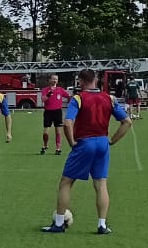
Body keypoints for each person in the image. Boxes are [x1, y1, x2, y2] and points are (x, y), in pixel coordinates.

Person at [42, 68, 133, 235]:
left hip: (85, 143)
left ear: (81, 81)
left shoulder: (78, 98)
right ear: (96, 80)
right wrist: (112, 140)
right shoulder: (109, 98)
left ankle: (59, 223)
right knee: (101, 184)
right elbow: (127, 122)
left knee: (66, 182)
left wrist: (72, 142)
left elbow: (67, 123)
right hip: (102, 143)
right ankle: (102, 225)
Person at [39, 75, 69, 155]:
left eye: (56, 79)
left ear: (57, 81)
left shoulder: (60, 90)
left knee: (58, 132)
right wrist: (48, 95)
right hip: (48, 112)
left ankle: (58, 148)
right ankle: (45, 145)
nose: (55, 80)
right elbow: (43, 99)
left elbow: (68, 96)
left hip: (57, 112)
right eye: (53, 79)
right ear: (50, 80)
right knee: (45, 132)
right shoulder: (45, 90)